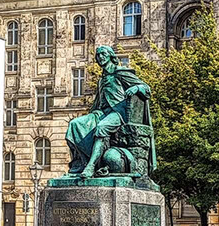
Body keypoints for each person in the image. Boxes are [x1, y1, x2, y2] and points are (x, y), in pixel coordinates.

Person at [65, 45, 155, 178]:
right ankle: (80, 163)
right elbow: (98, 101)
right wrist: (93, 114)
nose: (100, 57)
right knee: (74, 124)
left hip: (119, 112)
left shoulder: (120, 72)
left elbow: (146, 88)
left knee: (102, 127)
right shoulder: (102, 79)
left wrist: (136, 89)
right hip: (101, 113)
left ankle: (90, 167)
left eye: (103, 54)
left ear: (111, 56)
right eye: (98, 55)